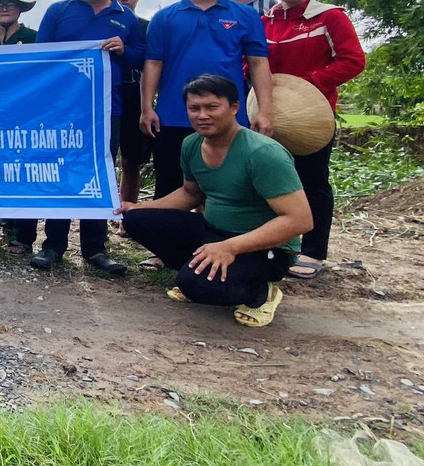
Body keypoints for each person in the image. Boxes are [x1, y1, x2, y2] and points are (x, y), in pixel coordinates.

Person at [119, 74, 312, 328]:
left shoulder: (262, 153)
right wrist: (140, 207)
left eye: (211, 107)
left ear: (234, 107)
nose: (202, 115)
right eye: (194, 108)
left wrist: (230, 247)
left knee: (191, 284)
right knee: (136, 219)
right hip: (214, 234)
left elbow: (300, 220)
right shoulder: (191, 144)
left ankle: (261, 294)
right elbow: (190, 193)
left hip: (265, 250)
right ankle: (201, 269)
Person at [140, 0, 275, 212]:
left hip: (228, 117)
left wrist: (265, 111)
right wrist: (146, 108)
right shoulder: (165, 18)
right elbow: (153, 64)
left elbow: (259, 64)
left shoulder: (245, 16)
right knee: (170, 182)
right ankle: (165, 252)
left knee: (227, 185)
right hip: (174, 115)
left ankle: (221, 246)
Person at [33, 0, 144, 274]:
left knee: (101, 175)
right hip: (63, 111)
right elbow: (40, 59)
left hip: (107, 111)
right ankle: (53, 245)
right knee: (61, 174)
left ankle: (95, 250)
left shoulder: (126, 17)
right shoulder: (58, 11)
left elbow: (141, 56)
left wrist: (125, 50)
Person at [266, 0, 367, 278]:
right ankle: (276, 245)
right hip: (269, 116)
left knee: (312, 181)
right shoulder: (266, 20)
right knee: (270, 182)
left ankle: (313, 252)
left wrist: (309, 84)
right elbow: (251, 61)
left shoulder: (329, 17)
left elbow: (353, 60)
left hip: (311, 118)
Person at [0, 0, 39, 253]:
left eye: (10, 4)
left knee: (24, 170)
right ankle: (7, 227)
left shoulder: (36, 38)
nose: (4, 9)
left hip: (26, 115)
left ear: (20, 9)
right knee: (3, 170)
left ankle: (25, 236)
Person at [112, 0, 152, 206]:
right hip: (106, 95)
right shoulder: (105, 22)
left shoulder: (147, 27)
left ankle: (128, 211)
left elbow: (152, 63)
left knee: (131, 159)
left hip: (135, 95)